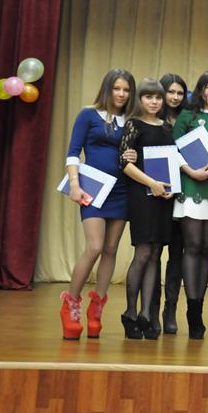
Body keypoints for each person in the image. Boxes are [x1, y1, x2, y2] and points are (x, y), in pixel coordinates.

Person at [60, 69, 136, 340]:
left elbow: (135, 156)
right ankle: (71, 305)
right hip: (92, 190)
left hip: (122, 191)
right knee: (94, 246)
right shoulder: (88, 115)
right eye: (117, 88)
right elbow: (73, 152)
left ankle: (97, 308)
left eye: (126, 90)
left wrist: (133, 155)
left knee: (111, 249)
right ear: (107, 89)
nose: (121, 94)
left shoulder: (131, 122)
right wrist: (74, 184)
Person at [117, 78, 175, 340]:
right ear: (140, 99)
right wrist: (152, 183)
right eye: (149, 97)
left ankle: (146, 314)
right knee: (142, 252)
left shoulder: (167, 126)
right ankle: (130, 313)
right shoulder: (133, 124)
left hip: (163, 198)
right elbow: (124, 163)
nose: (154, 102)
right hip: (142, 196)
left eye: (158, 97)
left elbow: (170, 162)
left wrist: (170, 186)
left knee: (155, 254)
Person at [172, 71, 208, 339]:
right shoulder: (187, 117)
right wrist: (190, 171)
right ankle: (192, 311)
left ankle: (199, 307)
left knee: (206, 249)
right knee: (192, 247)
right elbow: (173, 149)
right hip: (191, 186)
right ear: (201, 90)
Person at [150, 73, 187, 335]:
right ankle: (151, 309)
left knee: (177, 255)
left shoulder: (189, 121)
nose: (174, 97)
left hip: (183, 196)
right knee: (152, 254)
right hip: (156, 195)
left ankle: (170, 310)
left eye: (179, 92)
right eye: (170, 92)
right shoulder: (151, 119)